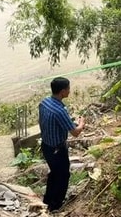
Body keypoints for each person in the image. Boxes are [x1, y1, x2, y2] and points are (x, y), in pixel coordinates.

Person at [39, 77, 85, 212]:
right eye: (68, 89)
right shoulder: (60, 111)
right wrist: (81, 123)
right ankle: (56, 205)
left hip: (46, 146)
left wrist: (69, 122)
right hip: (57, 149)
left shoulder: (44, 102)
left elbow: (45, 121)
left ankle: (47, 199)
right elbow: (75, 133)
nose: (70, 91)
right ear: (63, 91)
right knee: (63, 175)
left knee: (54, 172)